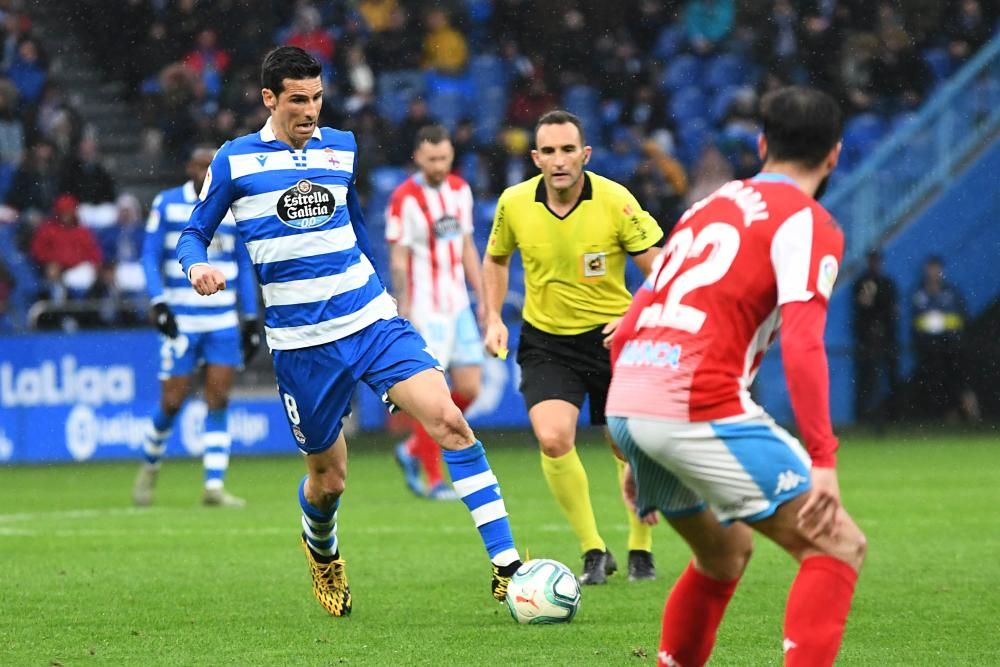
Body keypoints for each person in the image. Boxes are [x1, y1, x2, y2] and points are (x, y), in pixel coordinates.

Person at [176, 46, 521, 617]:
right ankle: (323, 549)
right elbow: (194, 233)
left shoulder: (341, 148)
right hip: (301, 345)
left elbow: (356, 225)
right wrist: (198, 266)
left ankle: (508, 568)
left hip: (370, 320)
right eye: (297, 100)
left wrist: (385, 294)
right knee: (328, 481)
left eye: (316, 97)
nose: (311, 110)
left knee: (451, 422)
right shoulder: (235, 162)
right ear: (269, 98)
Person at [606, 86, 867, 667]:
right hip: (693, 404)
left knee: (723, 556)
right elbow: (802, 342)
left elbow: (628, 328)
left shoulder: (708, 205)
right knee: (839, 545)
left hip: (630, 399)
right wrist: (822, 460)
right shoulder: (808, 221)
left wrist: (632, 445)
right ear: (835, 155)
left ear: (762, 143)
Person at [482, 110, 664, 585]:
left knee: (625, 447)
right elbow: (496, 259)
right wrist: (492, 317)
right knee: (553, 437)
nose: (559, 160)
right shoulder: (514, 203)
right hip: (547, 341)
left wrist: (634, 315)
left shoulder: (615, 201)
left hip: (613, 338)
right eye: (550, 151)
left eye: (568, 150)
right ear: (535, 157)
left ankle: (640, 547)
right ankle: (593, 550)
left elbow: (663, 271)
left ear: (584, 154)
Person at [132, 146, 261, 508]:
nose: (206, 171)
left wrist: (250, 318)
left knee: (218, 398)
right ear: (188, 166)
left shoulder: (234, 207)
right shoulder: (168, 204)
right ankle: (150, 466)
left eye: (211, 165)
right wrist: (158, 302)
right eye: (200, 164)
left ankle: (214, 486)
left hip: (222, 321)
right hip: (182, 321)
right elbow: (148, 256)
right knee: (172, 401)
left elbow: (244, 264)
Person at [386, 125, 485, 501]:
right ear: (418, 158)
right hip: (427, 309)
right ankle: (433, 479)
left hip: (458, 304)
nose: (440, 166)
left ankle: (412, 448)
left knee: (470, 387)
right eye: (432, 160)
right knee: (436, 397)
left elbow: (466, 248)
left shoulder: (461, 190)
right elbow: (398, 257)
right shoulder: (404, 198)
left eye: (445, 158)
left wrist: (485, 301)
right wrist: (405, 307)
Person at [911, 255, 979, 421]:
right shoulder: (919, 294)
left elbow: (962, 318)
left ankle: (974, 419)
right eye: (931, 268)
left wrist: (946, 327)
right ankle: (949, 420)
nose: (934, 272)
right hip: (930, 350)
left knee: (960, 384)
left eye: (937, 268)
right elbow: (915, 322)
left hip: (952, 348)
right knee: (938, 387)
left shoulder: (951, 292)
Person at [851, 248, 899, 426]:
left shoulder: (887, 284)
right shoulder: (862, 283)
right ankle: (864, 418)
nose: (874, 264)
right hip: (867, 340)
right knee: (867, 379)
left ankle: (893, 417)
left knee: (889, 377)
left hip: (886, 339)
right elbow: (861, 308)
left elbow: (892, 311)